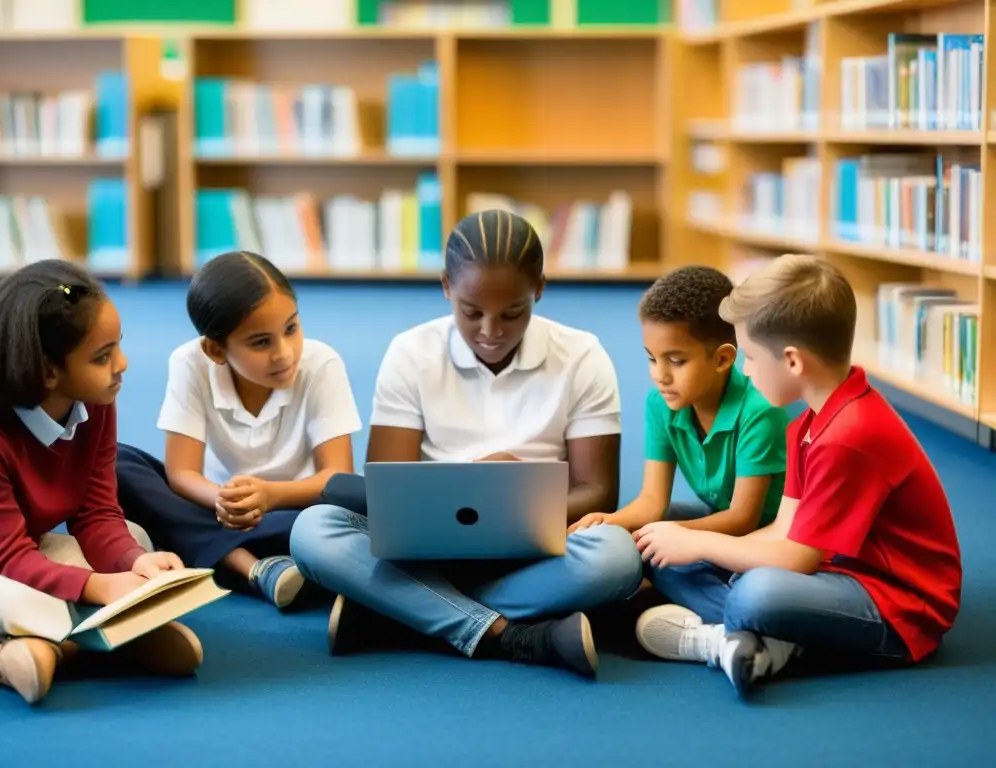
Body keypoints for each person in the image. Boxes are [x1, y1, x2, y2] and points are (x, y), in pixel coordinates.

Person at [290, 210, 643, 679]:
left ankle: (403, 609)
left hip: (536, 545)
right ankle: (505, 632)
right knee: (314, 530)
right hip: (427, 548)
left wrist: (514, 491)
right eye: (471, 312)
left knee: (617, 556)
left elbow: (598, 494)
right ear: (445, 288)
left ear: (539, 288)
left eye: (512, 313)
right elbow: (386, 491)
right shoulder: (411, 352)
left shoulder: (582, 356)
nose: (491, 331)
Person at [632, 254, 962, 698]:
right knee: (667, 548)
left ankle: (723, 640)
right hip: (837, 572)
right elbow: (783, 528)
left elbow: (796, 559)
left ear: (791, 362)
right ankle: (761, 639)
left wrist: (700, 544)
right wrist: (691, 546)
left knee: (756, 594)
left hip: (900, 606)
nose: (744, 371)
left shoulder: (849, 435)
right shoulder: (809, 421)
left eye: (749, 357)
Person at [0, 260, 203, 705]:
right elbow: (2, 554)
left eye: (118, 346)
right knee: (27, 602)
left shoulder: (94, 400)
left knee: (136, 540)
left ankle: (53, 645)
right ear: (47, 371)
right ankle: (3, 648)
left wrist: (135, 563)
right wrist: (101, 587)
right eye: (102, 356)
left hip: (16, 548)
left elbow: (97, 513)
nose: (122, 364)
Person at [116, 252, 362, 610]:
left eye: (291, 329)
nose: (284, 353)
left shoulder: (322, 363)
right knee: (117, 463)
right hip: (215, 511)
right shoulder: (190, 363)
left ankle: (239, 562)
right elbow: (182, 472)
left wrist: (271, 496)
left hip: (295, 512)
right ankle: (259, 569)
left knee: (339, 518)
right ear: (216, 349)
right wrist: (221, 500)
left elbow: (337, 476)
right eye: (261, 342)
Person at [569, 265, 788, 539]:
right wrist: (611, 521)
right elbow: (652, 501)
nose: (660, 376)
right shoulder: (660, 404)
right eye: (651, 358)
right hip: (718, 522)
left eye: (676, 361)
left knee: (655, 545)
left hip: (770, 536)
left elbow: (742, 519)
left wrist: (663, 534)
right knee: (630, 539)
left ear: (722, 359)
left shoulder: (759, 411)